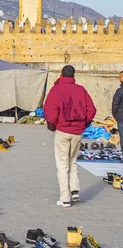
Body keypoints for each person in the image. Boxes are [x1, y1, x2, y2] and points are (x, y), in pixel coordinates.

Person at [44, 65, 96, 207]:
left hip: (63, 130)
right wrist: (84, 123)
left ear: (61, 74)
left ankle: (65, 197)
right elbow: (91, 109)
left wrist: (52, 124)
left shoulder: (56, 89)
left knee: (62, 164)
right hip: (77, 131)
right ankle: (75, 190)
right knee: (72, 161)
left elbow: (50, 109)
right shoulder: (81, 89)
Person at [111, 71, 123, 161]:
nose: (120, 79)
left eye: (121, 77)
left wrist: (115, 115)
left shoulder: (120, 91)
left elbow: (115, 104)